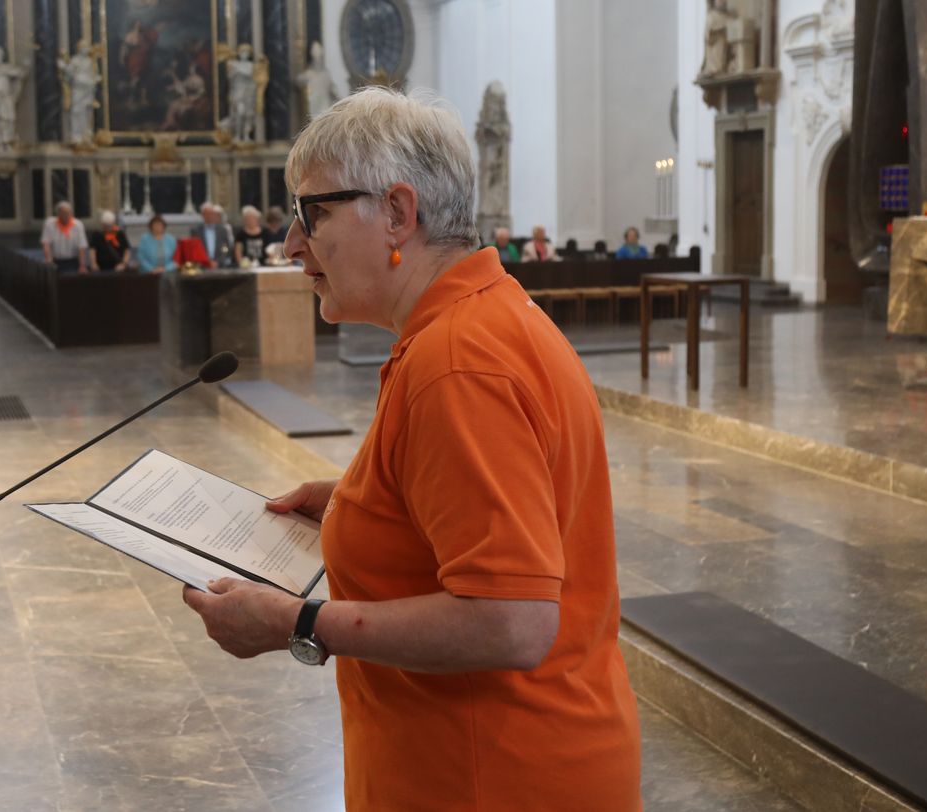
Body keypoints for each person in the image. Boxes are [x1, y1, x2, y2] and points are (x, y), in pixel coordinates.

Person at [182, 87, 642, 811]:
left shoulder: (458, 363)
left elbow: (512, 621)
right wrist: (362, 499)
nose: (292, 244)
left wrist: (297, 622)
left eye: (315, 213)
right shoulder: (479, 317)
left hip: (489, 774)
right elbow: (512, 505)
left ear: (398, 212)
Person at [40, 201, 88, 273]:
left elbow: (81, 247)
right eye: (63, 213)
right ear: (58, 213)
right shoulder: (50, 224)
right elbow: (46, 243)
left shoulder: (78, 225)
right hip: (55, 260)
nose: (65, 215)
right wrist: (48, 259)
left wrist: (82, 265)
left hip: (73, 260)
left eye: (68, 213)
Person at [190, 202, 234, 268]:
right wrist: (206, 262)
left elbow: (226, 247)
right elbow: (195, 249)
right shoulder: (196, 231)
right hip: (202, 265)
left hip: (220, 265)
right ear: (202, 215)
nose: (210, 216)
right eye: (207, 214)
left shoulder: (222, 230)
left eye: (211, 214)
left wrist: (219, 261)